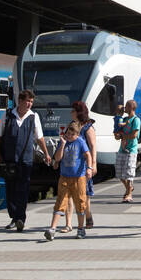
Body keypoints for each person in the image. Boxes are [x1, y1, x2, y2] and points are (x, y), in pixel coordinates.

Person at [0, 90, 50, 232]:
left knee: (23, 189)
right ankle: (13, 216)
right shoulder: (7, 115)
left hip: (26, 159)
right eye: (27, 101)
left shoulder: (33, 117)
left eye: (31, 102)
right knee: (10, 188)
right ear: (20, 101)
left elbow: (39, 137)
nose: (29, 104)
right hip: (10, 158)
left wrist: (46, 153)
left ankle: (20, 218)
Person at [44, 120, 93, 240]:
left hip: (78, 178)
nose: (70, 137)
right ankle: (52, 229)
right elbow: (58, 158)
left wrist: (89, 168)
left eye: (72, 135)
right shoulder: (64, 142)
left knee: (80, 203)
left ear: (77, 134)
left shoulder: (80, 142)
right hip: (64, 177)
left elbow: (88, 155)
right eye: (68, 134)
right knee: (60, 202)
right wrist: (63, 144)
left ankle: (80, 228)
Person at [60, 100, 97, 231]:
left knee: (84, 195)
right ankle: (68, 224)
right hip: (70, 167)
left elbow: (93, 147)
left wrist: (93, 165)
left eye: (73, 111)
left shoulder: (88, 127)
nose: (71, 113)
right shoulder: (72, 126)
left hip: (83, 167)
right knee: (69, 195)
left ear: (79, 112)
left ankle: (88, 217)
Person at [115, 99, 141, 203]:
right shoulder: (124, 119)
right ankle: (129, 188)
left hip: (131, 150)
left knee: (129, 172)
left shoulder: (136, 120)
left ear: (131, 107)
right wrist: (117, 135)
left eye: (126, 106)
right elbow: (118, 133)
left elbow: (134, 135)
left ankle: (129, 194)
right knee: (119, 173)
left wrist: (122, 135)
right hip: (122, 149)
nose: (124, 108)